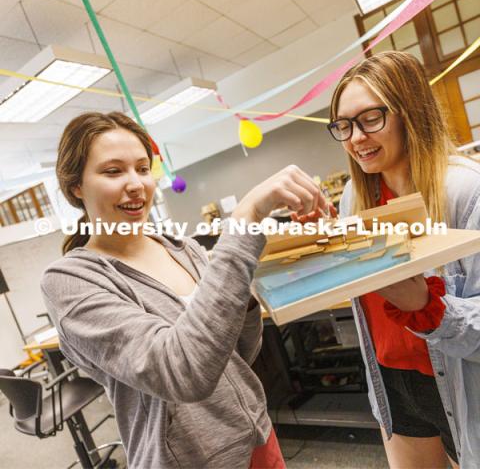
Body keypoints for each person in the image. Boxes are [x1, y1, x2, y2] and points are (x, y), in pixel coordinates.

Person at [40, 111, 327, 469]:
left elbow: (239, 352)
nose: (135, 183)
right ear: (76, 187)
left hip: (256, 435)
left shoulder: (184, 249)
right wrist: (244, 221)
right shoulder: (71, 280)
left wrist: (243, 287)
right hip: (193, 460)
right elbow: (184, 372)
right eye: (113, 171)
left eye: (143, 169)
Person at [325, 51, 480, 468]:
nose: (356, 137)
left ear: (409, 112)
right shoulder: (354, 200)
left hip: (462, 379)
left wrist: (429, 310)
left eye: (370, 119)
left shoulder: (465, 191)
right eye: (344, 125)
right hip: (393, 381)